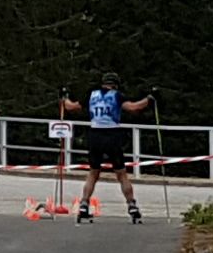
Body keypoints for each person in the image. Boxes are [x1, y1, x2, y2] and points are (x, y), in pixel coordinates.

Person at [59, 72, 155, 221]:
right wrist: (149, 99)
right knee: (121, 174)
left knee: (93, 172)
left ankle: (84, 204)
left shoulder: (92, 95)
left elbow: (71, 107)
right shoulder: (117, 95)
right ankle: (132, 205)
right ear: (115, 85)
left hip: (95, 134)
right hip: (112, 134)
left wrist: (64, 97)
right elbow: (133, 107)